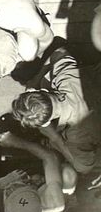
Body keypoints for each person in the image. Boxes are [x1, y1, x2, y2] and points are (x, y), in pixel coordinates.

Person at [12, 46, 101, 174]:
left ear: (46, 122)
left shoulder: (76, 135)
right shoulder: (65, 79)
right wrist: (35, 80)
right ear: (43, 92)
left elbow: (84, 167)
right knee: (45, 80)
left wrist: (55, 138)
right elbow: (60, 52)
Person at [0, 131, 77, 212]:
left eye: (11, 191)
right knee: (68, 174)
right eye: (27, 185)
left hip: (0, 191)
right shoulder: (54, 202)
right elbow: (49, 157)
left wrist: (4, 182)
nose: (19, 183)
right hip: (35, 187)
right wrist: (16, 142)